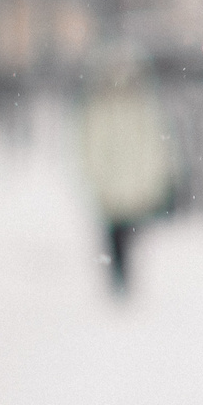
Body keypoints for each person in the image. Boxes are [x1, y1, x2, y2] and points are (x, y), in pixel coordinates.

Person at [75, 44, 174, 295]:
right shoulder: (108, 105)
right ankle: (120, 279)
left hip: (126, 183)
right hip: (119, 183)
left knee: (124, 233)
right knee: (120, 233)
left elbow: (153, 144)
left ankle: (122, 278)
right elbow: (92, 146)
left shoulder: (131, 104)